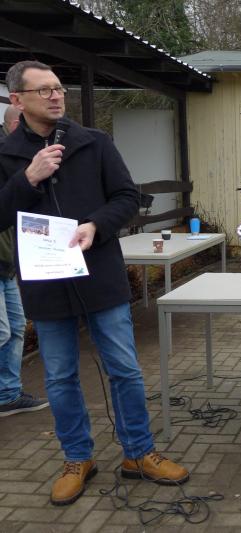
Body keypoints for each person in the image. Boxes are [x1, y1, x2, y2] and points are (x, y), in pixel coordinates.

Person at [0, 60, 188, 506]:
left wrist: (95, 226)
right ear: (17, 99)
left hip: (99, 275)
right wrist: (28, 178)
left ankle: (138, 452)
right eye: (43, 90)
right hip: (46, 285)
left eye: (58, 88)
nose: (55, 95)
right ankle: (77, 458)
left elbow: (127, 197)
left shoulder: (94, 142)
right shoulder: (6, 156)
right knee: (61, 377)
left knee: (124, 369)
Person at [0, 106, 49, 418]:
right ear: (17, 123)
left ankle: (7, 395)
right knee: (2, 332)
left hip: (7, 265)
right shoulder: (6, 158)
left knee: (16, 328)